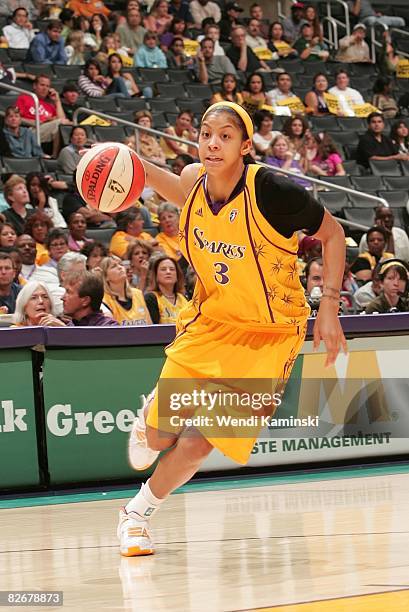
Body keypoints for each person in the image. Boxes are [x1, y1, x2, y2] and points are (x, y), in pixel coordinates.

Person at [118, 101, 347, 556]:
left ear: (245, 146)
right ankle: (149, 421)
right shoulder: (192, 183)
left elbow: (334, 234)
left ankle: (136, 514)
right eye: (205, 134)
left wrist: (329, 307)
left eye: (225, 136)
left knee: (202, 442)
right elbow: (157, 182)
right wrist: (125, 164)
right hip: (211, 326)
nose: (212, 143)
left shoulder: (273, 191)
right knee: (163, 437)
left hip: (269, 337)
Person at [16, 74, 68, 157]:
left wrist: (57, 101)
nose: (45, 88)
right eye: (42, 85)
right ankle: (54, 156)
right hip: (30, 130)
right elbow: (17, 119)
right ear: (34, 86)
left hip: (48, 131)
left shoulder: (50, 104)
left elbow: (63, 121)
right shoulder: (25, 97)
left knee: (64, 125)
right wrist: (38, 122)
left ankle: (55, 156)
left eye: (47, 86)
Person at [101, 256, 151, 325]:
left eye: (121, 264)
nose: (120, 267)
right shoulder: (104, 300)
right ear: (106, 277)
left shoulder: (138, 293)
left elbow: (149, 326)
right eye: (113, 266)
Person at [144, 255, 188, 323]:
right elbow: (152, 329)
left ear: (177, 275)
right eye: (163, 269)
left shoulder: (184, 298)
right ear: (156, 275)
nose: (168, 272)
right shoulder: (150, 299)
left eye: (172, 269)